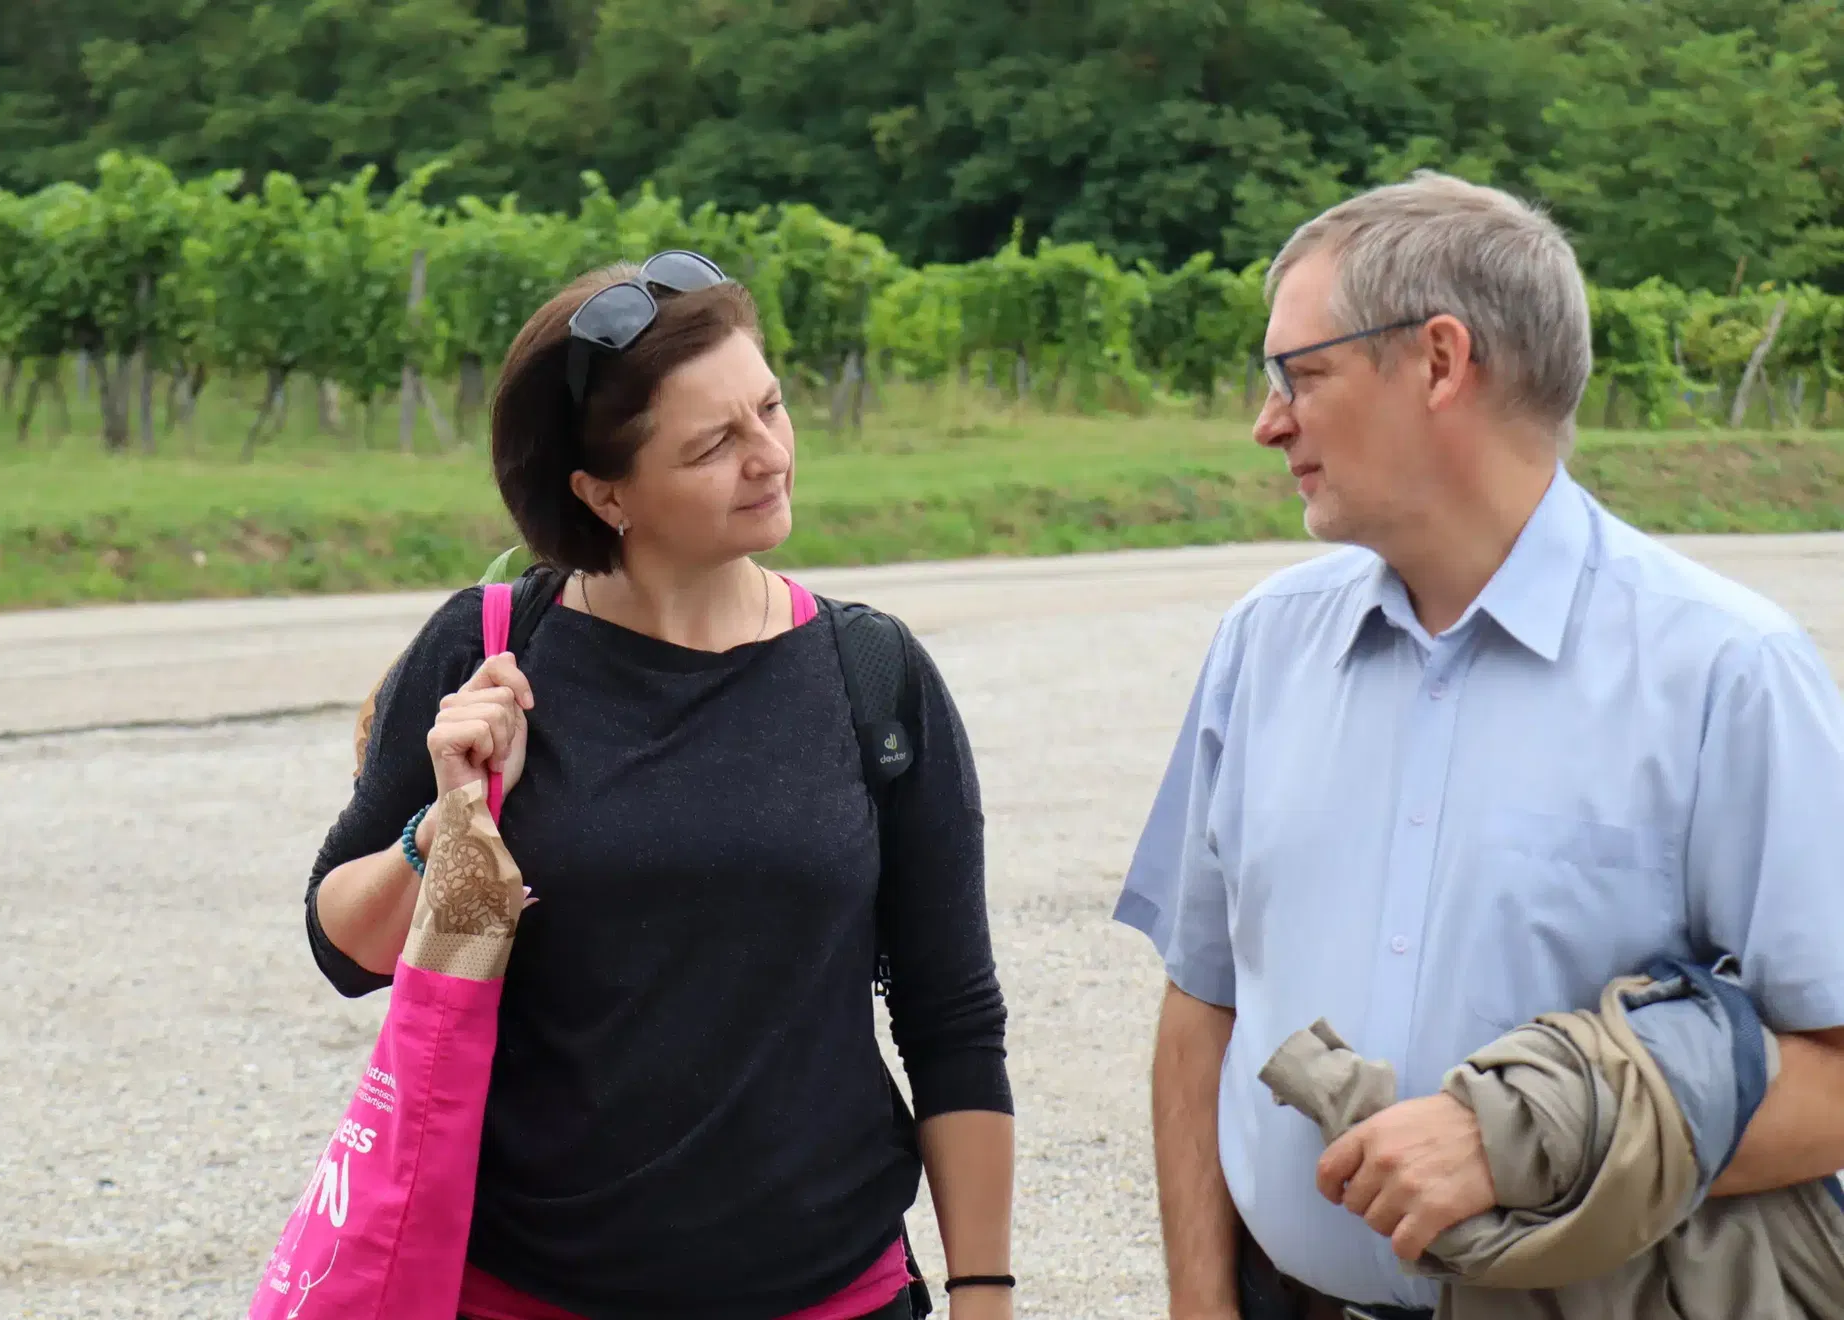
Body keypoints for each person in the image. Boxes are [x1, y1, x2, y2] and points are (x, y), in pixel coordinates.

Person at [1113, 172, 1844, 1320]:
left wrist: (1525, 1143)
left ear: (1441, 361)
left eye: (1299, 374)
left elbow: (1835, 1079)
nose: (1268, 421)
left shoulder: (1725, 671)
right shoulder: (1263, 646)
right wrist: (1200, 1307)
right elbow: (1204, 1007)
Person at [306, 252, 1016, 1320]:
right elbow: (341, 950)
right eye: (713, 445)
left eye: (770, 407)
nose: (770, 456)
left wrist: (984, 1293)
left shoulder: (872, 673)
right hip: (525, 1296)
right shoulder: (490, 647)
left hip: (832, 1294)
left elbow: (950, 1014)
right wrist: (442, 826)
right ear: (606, 494)